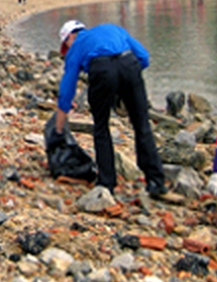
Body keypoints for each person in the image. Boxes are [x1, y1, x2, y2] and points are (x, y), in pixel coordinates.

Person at [53, 21, 166, 198]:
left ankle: (107, 183)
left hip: (101, 70)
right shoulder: (113, 29)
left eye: (65, 45)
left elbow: (68, 87)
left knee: (101, 127)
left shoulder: (76, 46)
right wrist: (126, 85)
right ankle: (156, 182)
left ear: (70, 37)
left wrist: (60, 123)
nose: (67, 49)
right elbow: (143, 57)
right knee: (142, 125)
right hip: (129, 63)